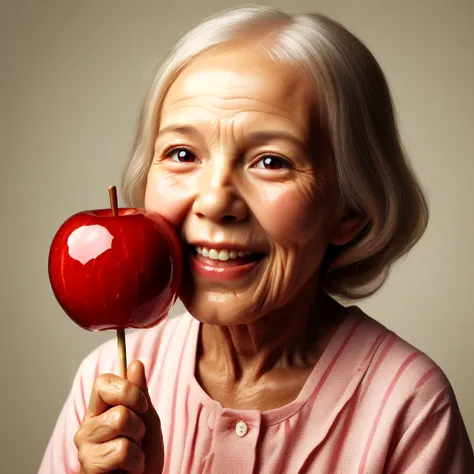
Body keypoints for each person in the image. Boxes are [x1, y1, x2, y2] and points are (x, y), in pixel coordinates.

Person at [39, 5, 473, 473]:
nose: (215, 200)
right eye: (183, 153)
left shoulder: (407, 406)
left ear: (349, 208)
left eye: (271, 161)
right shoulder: (106, 386)